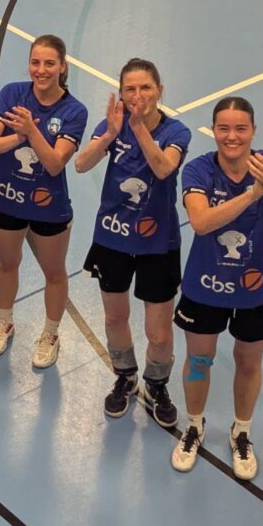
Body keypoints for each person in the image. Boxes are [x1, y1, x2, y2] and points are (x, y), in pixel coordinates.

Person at [170, 96, 263, 480]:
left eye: (240, 129)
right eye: (224, 128)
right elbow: (201, 223)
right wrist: (253, 193)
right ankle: (194, 425)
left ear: (253, 131)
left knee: (248, 363)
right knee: (199, 360)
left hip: (259, 286)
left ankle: (241, 431)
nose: (231, 136)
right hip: (206, 285)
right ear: (214, 130)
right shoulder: (200, 170)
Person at [75, 58, 190, 427]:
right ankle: (125, 375)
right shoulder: (113, 124)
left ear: (160, 91)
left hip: (158, 243)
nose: (138, 95)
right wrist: (109, 134)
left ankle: (156, 383)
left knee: (158, 330)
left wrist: (138, 127)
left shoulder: (177, 132)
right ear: (121, 92)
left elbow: (162, 167)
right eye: (130, 89)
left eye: (145, 88)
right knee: (114, 316)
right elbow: (81, 164)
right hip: (112, 238)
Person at [0, 34, 88, 368]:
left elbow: (55, 164)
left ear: (63, 67)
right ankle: (5, 321)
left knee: (54, 272)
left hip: (48, 207)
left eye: (49, 63)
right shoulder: (13, 93)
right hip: (8, 198)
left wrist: (31, 130)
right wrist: (19, 135)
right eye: (35, 62)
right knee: (7, 263)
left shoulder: (74, 111)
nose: (41, 70)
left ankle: (51, 334)